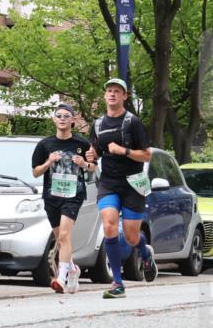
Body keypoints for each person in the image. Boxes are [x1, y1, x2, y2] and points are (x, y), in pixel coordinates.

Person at [85, 78, 156, 299]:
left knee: (133, 237)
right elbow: (94, 153)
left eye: (117, 91)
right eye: (109, 91)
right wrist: (91, 156)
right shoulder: (98, 124)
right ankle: (118, 283)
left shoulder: (133, 122)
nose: (112, 94)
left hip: (133, 183)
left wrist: (123, 151)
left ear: (125, 96)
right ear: (105, 96)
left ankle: (145, 253)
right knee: (109, 226)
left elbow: (147, 155)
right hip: (109, 183)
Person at [31, 103, 95, 294]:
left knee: (65, 236)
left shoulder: (82, 144)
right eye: (59, 115)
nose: (62, 119)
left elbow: (93, 168)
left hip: (73, 195)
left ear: (73, 120)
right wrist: (49, 161)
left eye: (66, 116)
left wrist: (84, 163)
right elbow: (35, 172)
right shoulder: (44, 145)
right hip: (52, 196)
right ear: (53, 119)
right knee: (61, 240)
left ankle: (61, 277)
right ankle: (73, 269)